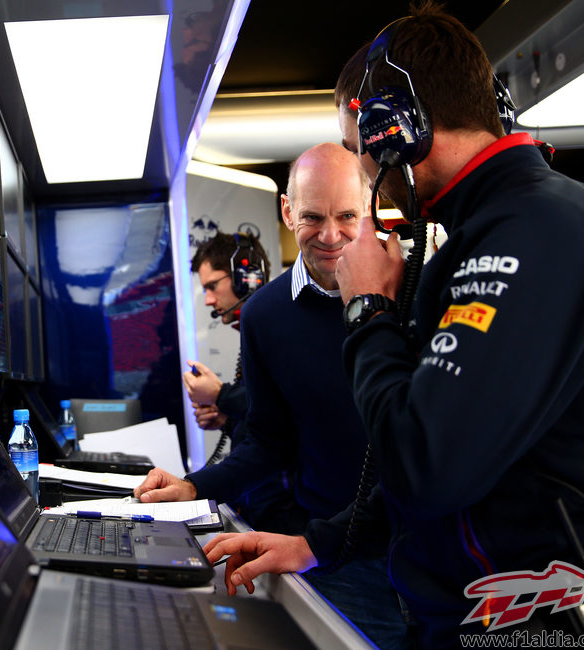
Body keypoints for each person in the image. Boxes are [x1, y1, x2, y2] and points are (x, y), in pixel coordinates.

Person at [203, 3, 584, 647]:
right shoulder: (488, 233)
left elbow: (423, 468)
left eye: (357, 149)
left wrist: (367, 309)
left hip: (532, 621)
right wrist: (316, 543)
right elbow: (455, 457)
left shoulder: (539, 226)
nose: (365, 170)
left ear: (395, 132)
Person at [137, 143, 412, 648]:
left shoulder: (412, 288)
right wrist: (196, 487)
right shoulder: (264, 315)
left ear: (370, 205)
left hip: (430, 553)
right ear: (287, 212)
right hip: (336, 557)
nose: (331, 236)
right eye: (312, 216)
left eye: (348, 215)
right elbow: (268, 440)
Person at [181, 231, 292, 530]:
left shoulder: (283, 324)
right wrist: (226, 418)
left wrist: (221, 395)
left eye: (212, 286)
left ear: (247, 276)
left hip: (289, 520)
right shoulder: (259, 328)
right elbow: (264, 423)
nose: (208, 300)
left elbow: (287, 406)